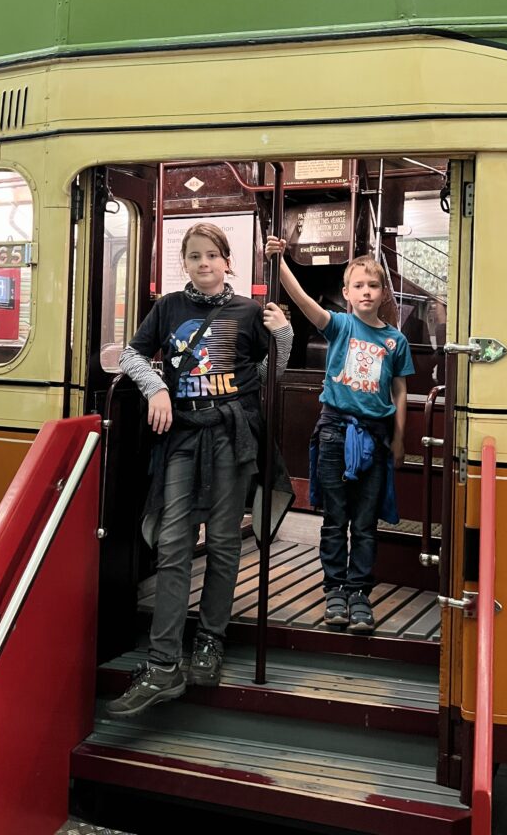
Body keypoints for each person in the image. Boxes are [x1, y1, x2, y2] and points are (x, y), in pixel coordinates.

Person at [107, 223, 293, 717]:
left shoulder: (251, 313)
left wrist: (284, 334)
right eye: (194, 257)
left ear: (226, 260)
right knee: (173, 541)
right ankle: (164, 660)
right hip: (184, 437)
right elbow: (131, 353)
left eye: (212, 255)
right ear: (184, 263)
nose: (203, 263)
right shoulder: (169, 307)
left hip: (231, 438)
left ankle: (210, 638)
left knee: (227, 541)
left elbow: (273, 370)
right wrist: (157, 387)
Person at [265, 238, 413, 633]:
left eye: (374, 286)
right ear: (346, 294)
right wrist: (279, 260)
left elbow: (398, 390)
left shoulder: (395, 341)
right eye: (359, 286)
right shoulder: (340, 326)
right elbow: (299, 299)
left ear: (383, 294)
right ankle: (335, 590)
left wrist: (399, 439)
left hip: (376, 437)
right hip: (334, 432)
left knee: (365, 522)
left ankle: (359, 593)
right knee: (335, 520)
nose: (367, 292)